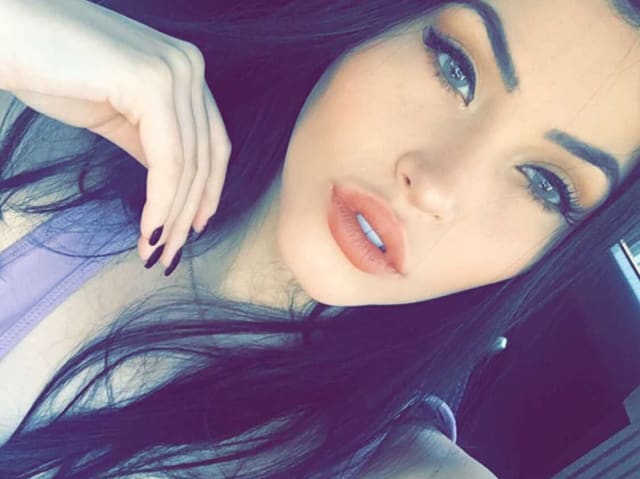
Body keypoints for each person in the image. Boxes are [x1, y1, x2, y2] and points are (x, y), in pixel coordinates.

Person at [0, 0, 637, 477]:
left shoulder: (406, 467)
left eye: (546, 184)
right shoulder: (59, 134)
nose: (437, 187)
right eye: (456, 67)